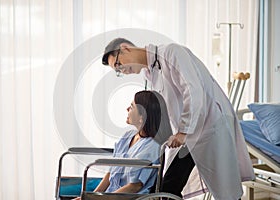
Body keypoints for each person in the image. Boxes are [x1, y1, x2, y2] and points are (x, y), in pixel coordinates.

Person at [101, 38, 255, 200]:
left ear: (125, 48)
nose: (122, 70)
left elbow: (192, 90)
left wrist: (183, 131)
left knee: (225, 193)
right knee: (168, 187)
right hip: (186, 135)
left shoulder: (171, 53)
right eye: (117, 71)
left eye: (118, 64)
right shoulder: (150, 73)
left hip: (208, 127)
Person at [73, 90, 173, 200]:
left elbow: (134, 187)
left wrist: (101, 199)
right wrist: (90, 197)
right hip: (109, 195)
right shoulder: (127, 136)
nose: (127, 109)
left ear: (142, 117)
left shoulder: (153, 147)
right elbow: (110, 173)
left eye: (131, 107)